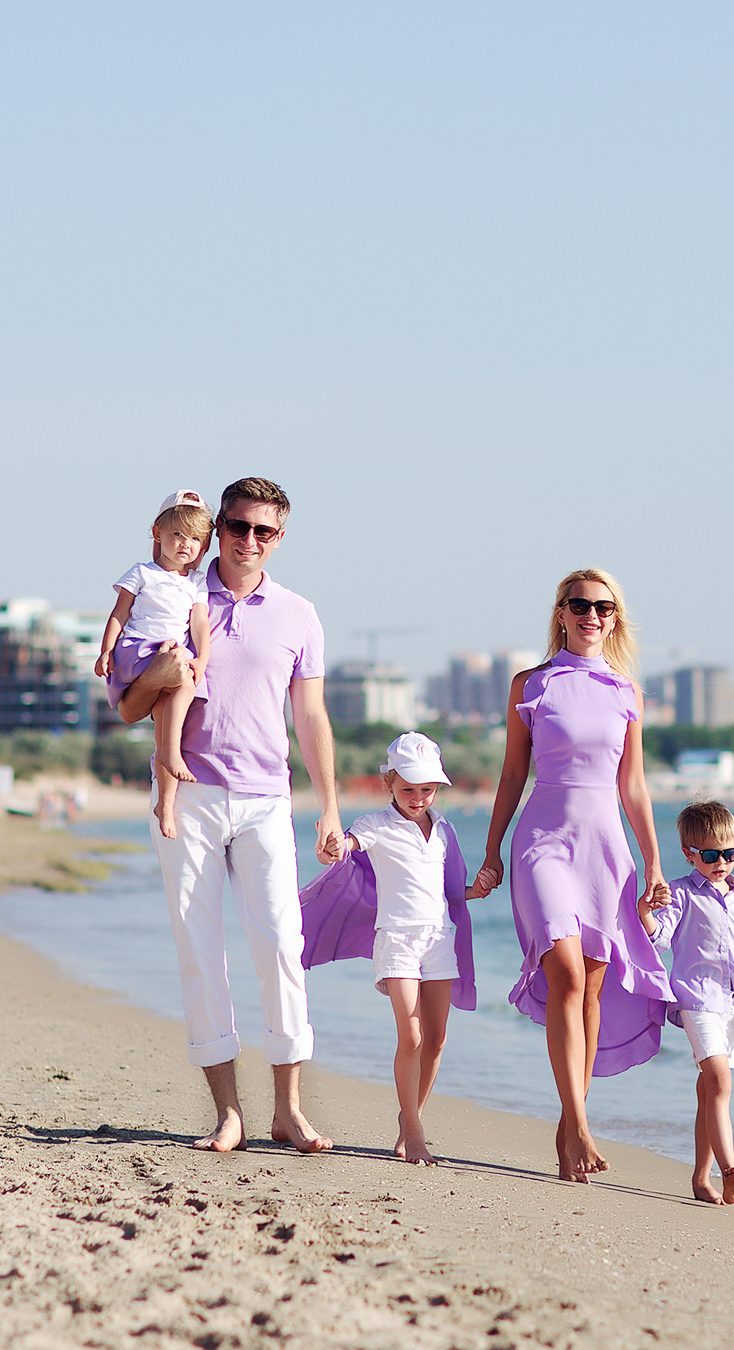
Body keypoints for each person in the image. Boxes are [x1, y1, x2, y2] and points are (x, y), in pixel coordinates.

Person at [151, 476, 345, 1154]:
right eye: (237, 526)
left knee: (282, 948)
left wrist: (329, 808)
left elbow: (311, 715)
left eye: (263, 530)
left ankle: (288, 1111)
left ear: (280, 538)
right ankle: (228, 1112)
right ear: (218, 529)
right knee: (200, 954)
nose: (248, 540)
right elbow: (133, 692)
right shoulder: (177, 598)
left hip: (267, 801)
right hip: (190, 796)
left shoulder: (299, 614)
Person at [467, 569, 672, 1183]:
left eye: (603, 607)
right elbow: (512, 774)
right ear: (561, 612)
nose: (591, 615)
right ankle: (581, 1126)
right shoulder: (530, 684)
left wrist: (654, 862)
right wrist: (492, 849)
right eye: (579, 604)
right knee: (565, 971)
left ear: (615, 618)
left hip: (606, 850)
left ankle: (569, 1128)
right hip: (543, 843)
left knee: (592, 988)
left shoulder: (626, 691)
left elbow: (634, 786)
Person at [298, 732, 476, 1165]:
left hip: (439, 939)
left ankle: (409, 1115)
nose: (418, 798)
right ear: (389, 783)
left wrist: (478, 889)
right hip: (396, 940)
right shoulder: (375, 825)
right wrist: (333, 845)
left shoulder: (445, 830)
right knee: (411, 1035)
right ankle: (414, 1132)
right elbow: (345, 848)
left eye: (427, 789)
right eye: (409, 789)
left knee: (436, 1040)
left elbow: (452, 891)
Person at [641, 800, 734, 1205]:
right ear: (689, 853)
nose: (721, 863)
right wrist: (645, 912)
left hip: (732, 1006)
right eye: (711, 856)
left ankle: (700, 1179)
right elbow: (659, 939)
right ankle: (729, 1170)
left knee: (708, 1090)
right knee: (720, 1082)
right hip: (696, 999)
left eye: (731, 854)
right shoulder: (680, 893)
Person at [93, 489, 213, 838]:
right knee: (183, 680)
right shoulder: (143, 573)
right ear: (158, 533)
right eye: (178, 534)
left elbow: (200, 623)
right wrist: (106, 650)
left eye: (195, 539)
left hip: (172, 655)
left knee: (168, 719)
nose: (186, 544)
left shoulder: (196, 583)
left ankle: (166, 803)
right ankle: (172, 754)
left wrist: (203, 658)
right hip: (138, 650)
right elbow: (119, 614)